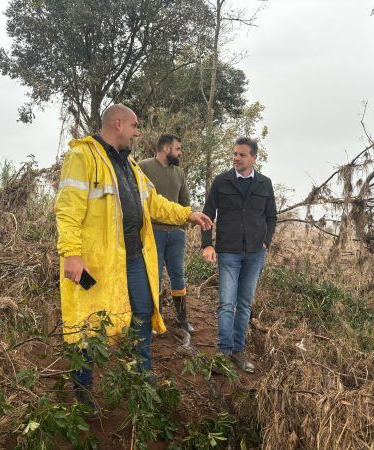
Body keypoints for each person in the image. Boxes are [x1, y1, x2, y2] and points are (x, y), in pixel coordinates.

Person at [55, 104, 212, 404]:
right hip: (97, 261)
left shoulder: (132, 166)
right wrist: (72, 254)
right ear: (117, 123)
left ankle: (142, 375)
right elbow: (67, 211)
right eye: (135, 126)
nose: (138, 132)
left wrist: (187, 214)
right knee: (87, 325)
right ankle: (83, 391)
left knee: (142, 311)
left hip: (134, 257)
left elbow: (154, 203)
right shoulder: (82, 157)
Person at [201, 137, 277, 373]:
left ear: (254, 158)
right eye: (234, 154)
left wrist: (266, 241)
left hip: (255, 254)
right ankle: (223, 354)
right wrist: (207, 245)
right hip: (228, 252)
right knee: (226, 303)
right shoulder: (221, 181)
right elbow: (207, 214)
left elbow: (271, 216)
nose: (236, 158)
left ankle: (238, 351)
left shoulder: (264, 184)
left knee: (244, 305)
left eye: (242, 155)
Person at [139, 135, 194, 334]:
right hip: (154, 232)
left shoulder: (179, 172)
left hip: (176, 234)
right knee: (154, 276)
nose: (180, 153)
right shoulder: (143, 167)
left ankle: (182, 319)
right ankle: (156, 319)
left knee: (178, 275)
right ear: (166, 148)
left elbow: (185, 201)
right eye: (178, 148)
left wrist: (182, 228)